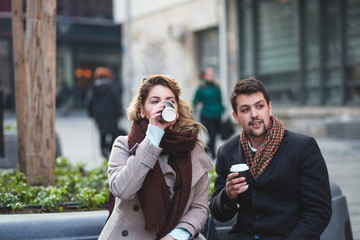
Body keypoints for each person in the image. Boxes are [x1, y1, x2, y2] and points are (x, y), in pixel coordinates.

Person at [209, 77, 332, 240]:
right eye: (245, 110)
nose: (254, 115)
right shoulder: (227, 151)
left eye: (259, 106)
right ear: (236, 116)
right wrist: (228, 195)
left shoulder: (302, 147)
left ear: (269, 108)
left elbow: (318, 211)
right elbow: (219, 214)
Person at [99, 74, 213, 240]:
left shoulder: (192, 148)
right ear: (142, 110)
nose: (162, 106)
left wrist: (177, 236)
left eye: (169, 101)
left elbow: (200, 207)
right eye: (155, 101)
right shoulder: (123, 144)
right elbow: (122, 190)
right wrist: (153, 137)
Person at [86, 67, 126, 158]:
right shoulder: (112, 86)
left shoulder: (94, 87)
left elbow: (89, 102)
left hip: (99, 115)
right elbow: (116, 101)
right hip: (111, 113)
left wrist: (92, 114)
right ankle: (112, 148)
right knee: (113, 132)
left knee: (102, 133)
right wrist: (119, 113)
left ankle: (103, 150)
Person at [192, 66, 224, 159]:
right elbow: (194, 102)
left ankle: (204, 150)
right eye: (208, 74)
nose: (211, 76)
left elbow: (220, 100)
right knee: (212, 136)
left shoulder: (217, 86)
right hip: (206, 116)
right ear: (204, 75)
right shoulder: (201, 88)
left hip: (217, 116)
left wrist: (222, 109)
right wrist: (190, 115)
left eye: (212, 73)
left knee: (215, 137)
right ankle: (214, 157)